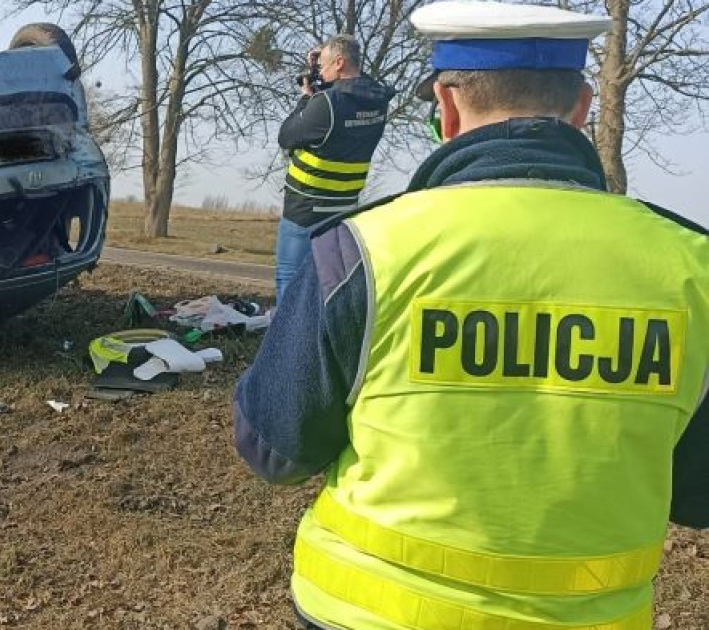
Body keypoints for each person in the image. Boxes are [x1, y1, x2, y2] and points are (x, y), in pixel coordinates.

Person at [233, 2, 709, 629]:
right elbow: (697, 496)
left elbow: (273, 450)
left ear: (446, 107)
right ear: (582, 107)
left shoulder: (363, 252)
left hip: (365, 613)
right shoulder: (692, 268)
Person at [276, 35, 394, 304]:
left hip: (305, 209)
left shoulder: (326, 104)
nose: (321, 72)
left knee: (289, 279)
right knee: (328, 285)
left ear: (339, 63)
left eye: (324, 66)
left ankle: (289, 332)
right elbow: (359, 85)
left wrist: (305, 99)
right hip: (344, 209)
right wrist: (329, 61)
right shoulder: (378, 101)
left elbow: (286, 136)